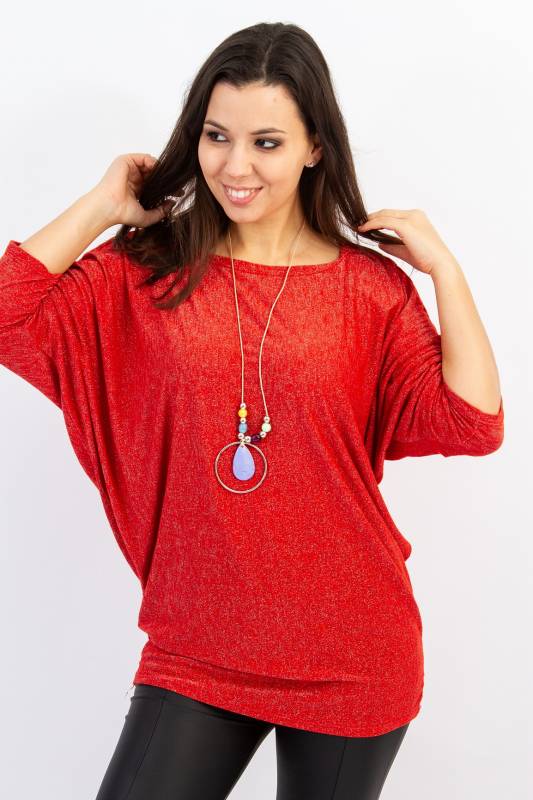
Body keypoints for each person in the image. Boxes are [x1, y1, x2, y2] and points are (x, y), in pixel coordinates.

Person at [0, 21, 504, 800]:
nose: (235, 167)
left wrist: (444, 271)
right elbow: (10, 316)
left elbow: (472, 423)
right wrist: (101, 205)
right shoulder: (146, 270)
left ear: (314, 148)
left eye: (266, 142)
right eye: (216, 136)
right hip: (195, 647)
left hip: (350, 654)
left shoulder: (369, 292)